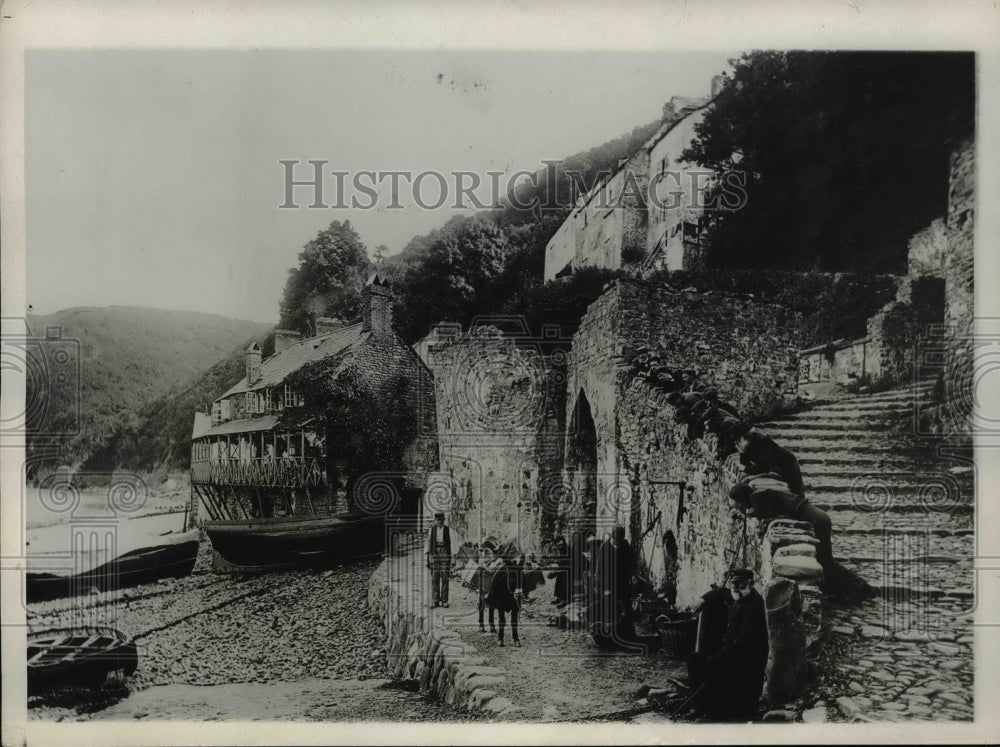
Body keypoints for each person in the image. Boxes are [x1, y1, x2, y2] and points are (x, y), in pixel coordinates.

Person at [685, 569, 769, 721]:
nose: (736, 588)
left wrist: (721, 655)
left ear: (751, 583)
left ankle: (715, 712)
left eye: (740, 584)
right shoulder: (738, 596)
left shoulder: (755, 605)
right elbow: (720, 592)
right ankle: (699, 706)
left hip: (748, 657)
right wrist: (703, 599)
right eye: (733, 584)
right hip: (731, 650)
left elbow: (745, 642)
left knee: (713, 663)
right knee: (694, 660)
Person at [729, 473, 834, 572]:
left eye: (738, 503)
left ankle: (836, 583)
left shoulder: (756, 497)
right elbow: (764, 510)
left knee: (825, 558)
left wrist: (744, 511)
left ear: (743, 500)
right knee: (823, 555)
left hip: (817, 519)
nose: (738, 506)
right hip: (817, 517)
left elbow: (765, 514)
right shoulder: (758, 496)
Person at [592, 525, 637, 648]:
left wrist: (632, 576)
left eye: (620, 540)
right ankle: (609, 639)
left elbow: (631, 564)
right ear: (612, 536)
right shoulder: (604, 548)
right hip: (608, 584)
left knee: (625, 610)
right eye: (616, 540)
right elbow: (599, 570)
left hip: (622, 584)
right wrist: (604, 589)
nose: (618, 542)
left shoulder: (626, 547)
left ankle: (626, 637)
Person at [733, 423, 805, 497]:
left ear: (743, 438)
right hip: (776, 467)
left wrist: (746, 469)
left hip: (788, 464)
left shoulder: (762, 442)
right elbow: (744, 462)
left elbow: (764, 467)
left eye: (737, 441)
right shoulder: (747, 444)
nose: (736, 444)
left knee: (796, 493)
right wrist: (741, 452)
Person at [425, 511, 454, 608]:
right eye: (438, 520)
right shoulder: (431, 530)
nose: (440, 521)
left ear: (444, 520)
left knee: (445, 577)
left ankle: (445, 600)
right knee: (435, 577)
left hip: (445, 552)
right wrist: (427, 557)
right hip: (435, 552)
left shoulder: (448, 530)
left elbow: (452, 543)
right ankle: (435, 600)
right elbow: (428, 543)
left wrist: (453, 557)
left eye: (442, 520)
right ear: (435, 520)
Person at [547, 535, 570, 607]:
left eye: (560, 545)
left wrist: (558, 571)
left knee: (564, 576)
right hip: (567, 568)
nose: (559, 547)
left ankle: (565, 600)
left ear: (564, 542)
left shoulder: (569, 550)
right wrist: (554, 570)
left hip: (576, 569)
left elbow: (569, 564)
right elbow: (561, 563)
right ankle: (559, 598)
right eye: (558, 545)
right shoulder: (562, 550)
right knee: (559, 576)